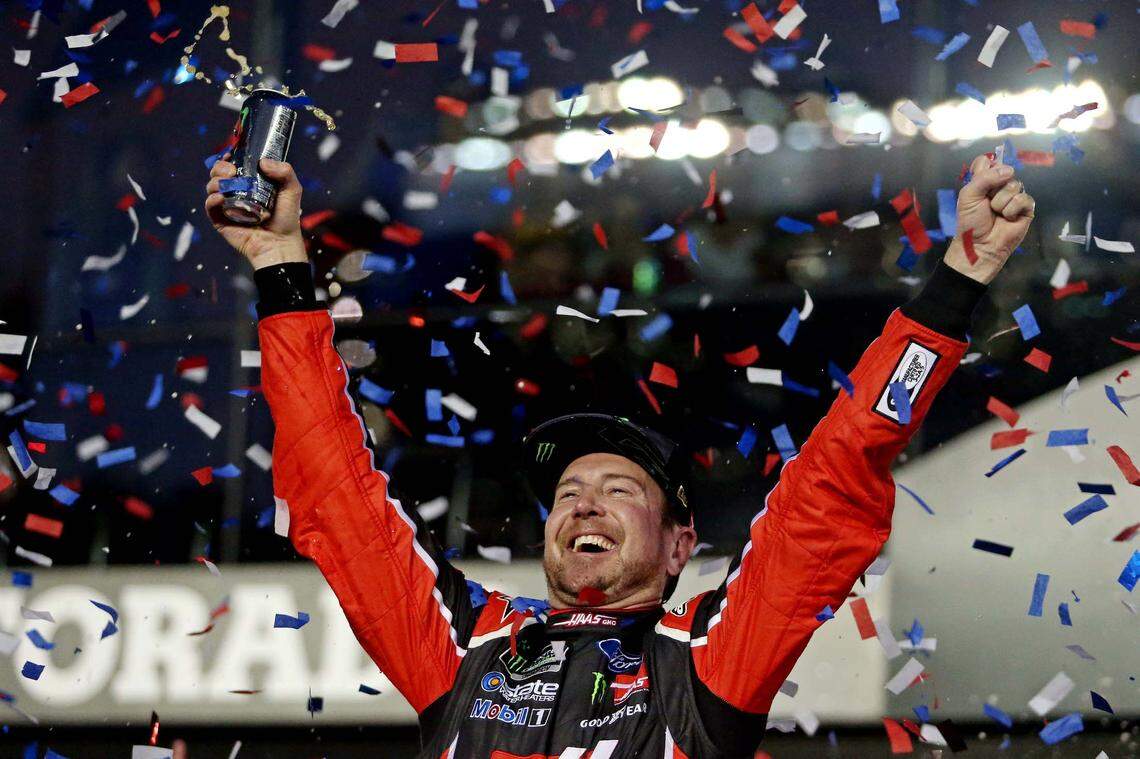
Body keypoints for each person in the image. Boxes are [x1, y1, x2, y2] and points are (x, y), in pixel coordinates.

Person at [205, 152, 1034, 758]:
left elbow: (834, 478)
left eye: (618, 488)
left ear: (682, 543)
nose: (584, 502)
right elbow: (336, 494)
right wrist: (281, 265)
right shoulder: (467, 644)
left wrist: (958, 282)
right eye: (568, 492)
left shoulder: (705, 655)